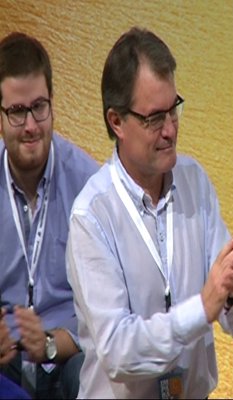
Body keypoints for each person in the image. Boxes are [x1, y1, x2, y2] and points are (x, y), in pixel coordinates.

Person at [65, 26, 233, 399]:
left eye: (173, 110)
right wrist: (202, 308)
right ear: (116, 122)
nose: (170, 130)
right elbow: (118, 352)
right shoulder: (92, 216)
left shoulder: (194, 182)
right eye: (155, 118)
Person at [0, 32, 99, 398]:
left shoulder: (90, 186)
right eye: (17, 111)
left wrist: (52, 345)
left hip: (67, 356)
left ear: (52, 105)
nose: (30, 126)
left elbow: (109, 310)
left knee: (93, 373)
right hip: (5, 360)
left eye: (39, 107)